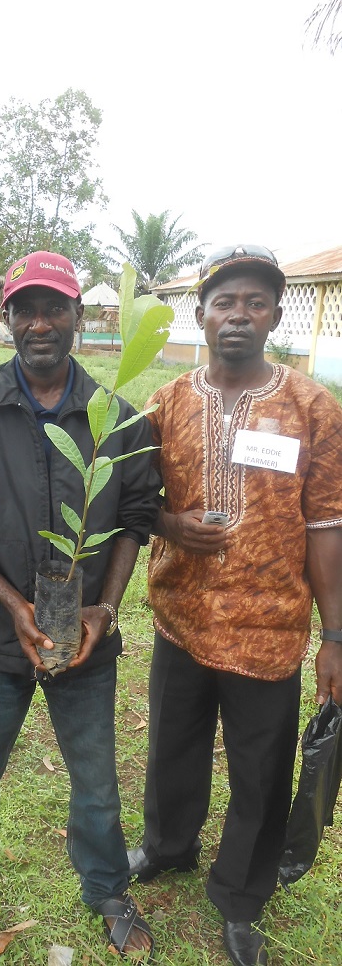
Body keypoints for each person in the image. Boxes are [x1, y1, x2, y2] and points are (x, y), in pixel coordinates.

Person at [0, 251, 161, 961]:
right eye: (25, 309)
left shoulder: (117, 420)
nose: (40, 323)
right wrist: (10, 602)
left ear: (78, 316)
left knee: (96, 779)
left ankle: (108, 888)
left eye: (55, 307)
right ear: (7, 319)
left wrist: (104, 609)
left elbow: (135, 520)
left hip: (84, 640)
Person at [129, 245, 342, 966]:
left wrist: (335, 634)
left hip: (268, 626)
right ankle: (168, 845)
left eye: (255, 302)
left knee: (261, 767)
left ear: (275, 316)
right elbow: (135, 498)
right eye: (225, 302)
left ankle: (241, 895)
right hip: (181, 616)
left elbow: (327, 524)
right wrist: (170, 524)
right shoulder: (166, 403)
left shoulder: (312, 407)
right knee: (172, 746)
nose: (239, 315)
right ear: (202, 315)